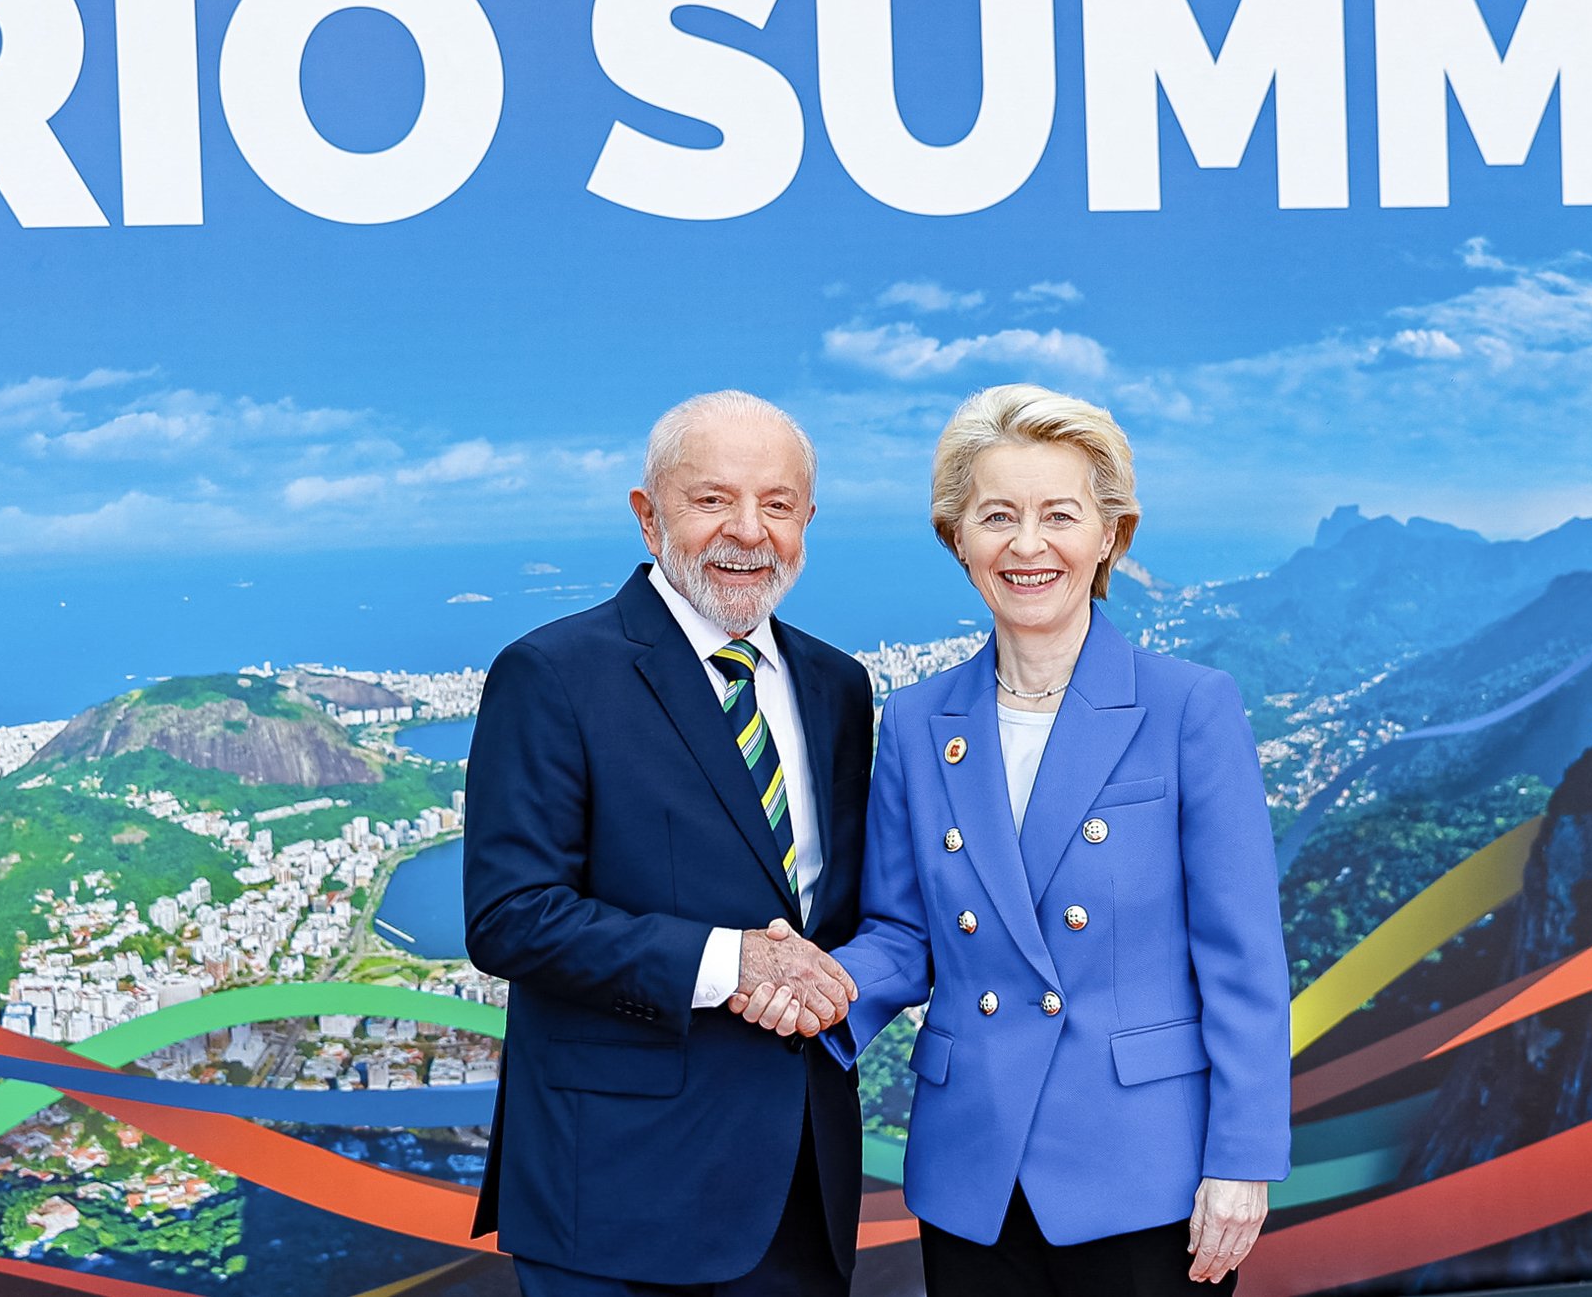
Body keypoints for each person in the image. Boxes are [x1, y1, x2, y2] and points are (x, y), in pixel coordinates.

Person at [733, 383, 1291, 1294]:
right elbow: (903, 934)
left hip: (1151, 1170)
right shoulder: (916, 720)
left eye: (1059, 515)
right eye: (997, 516)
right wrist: (818, 985)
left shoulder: (1190, 707)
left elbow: (1243, 961)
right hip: (976, 1170)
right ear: (959, 539)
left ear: (1110, 534)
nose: (1027, 546)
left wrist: (1243, 1159)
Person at [463, 390, 874, 1296]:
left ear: (808, 520)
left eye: (777, 503)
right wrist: (730, 965)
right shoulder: (551, 674)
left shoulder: (838, 686)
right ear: (649, 517)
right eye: (712, 498)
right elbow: (509, 917)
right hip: (619, 1199)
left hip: (801, 1194)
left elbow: (833, 913)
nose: (748, 531)